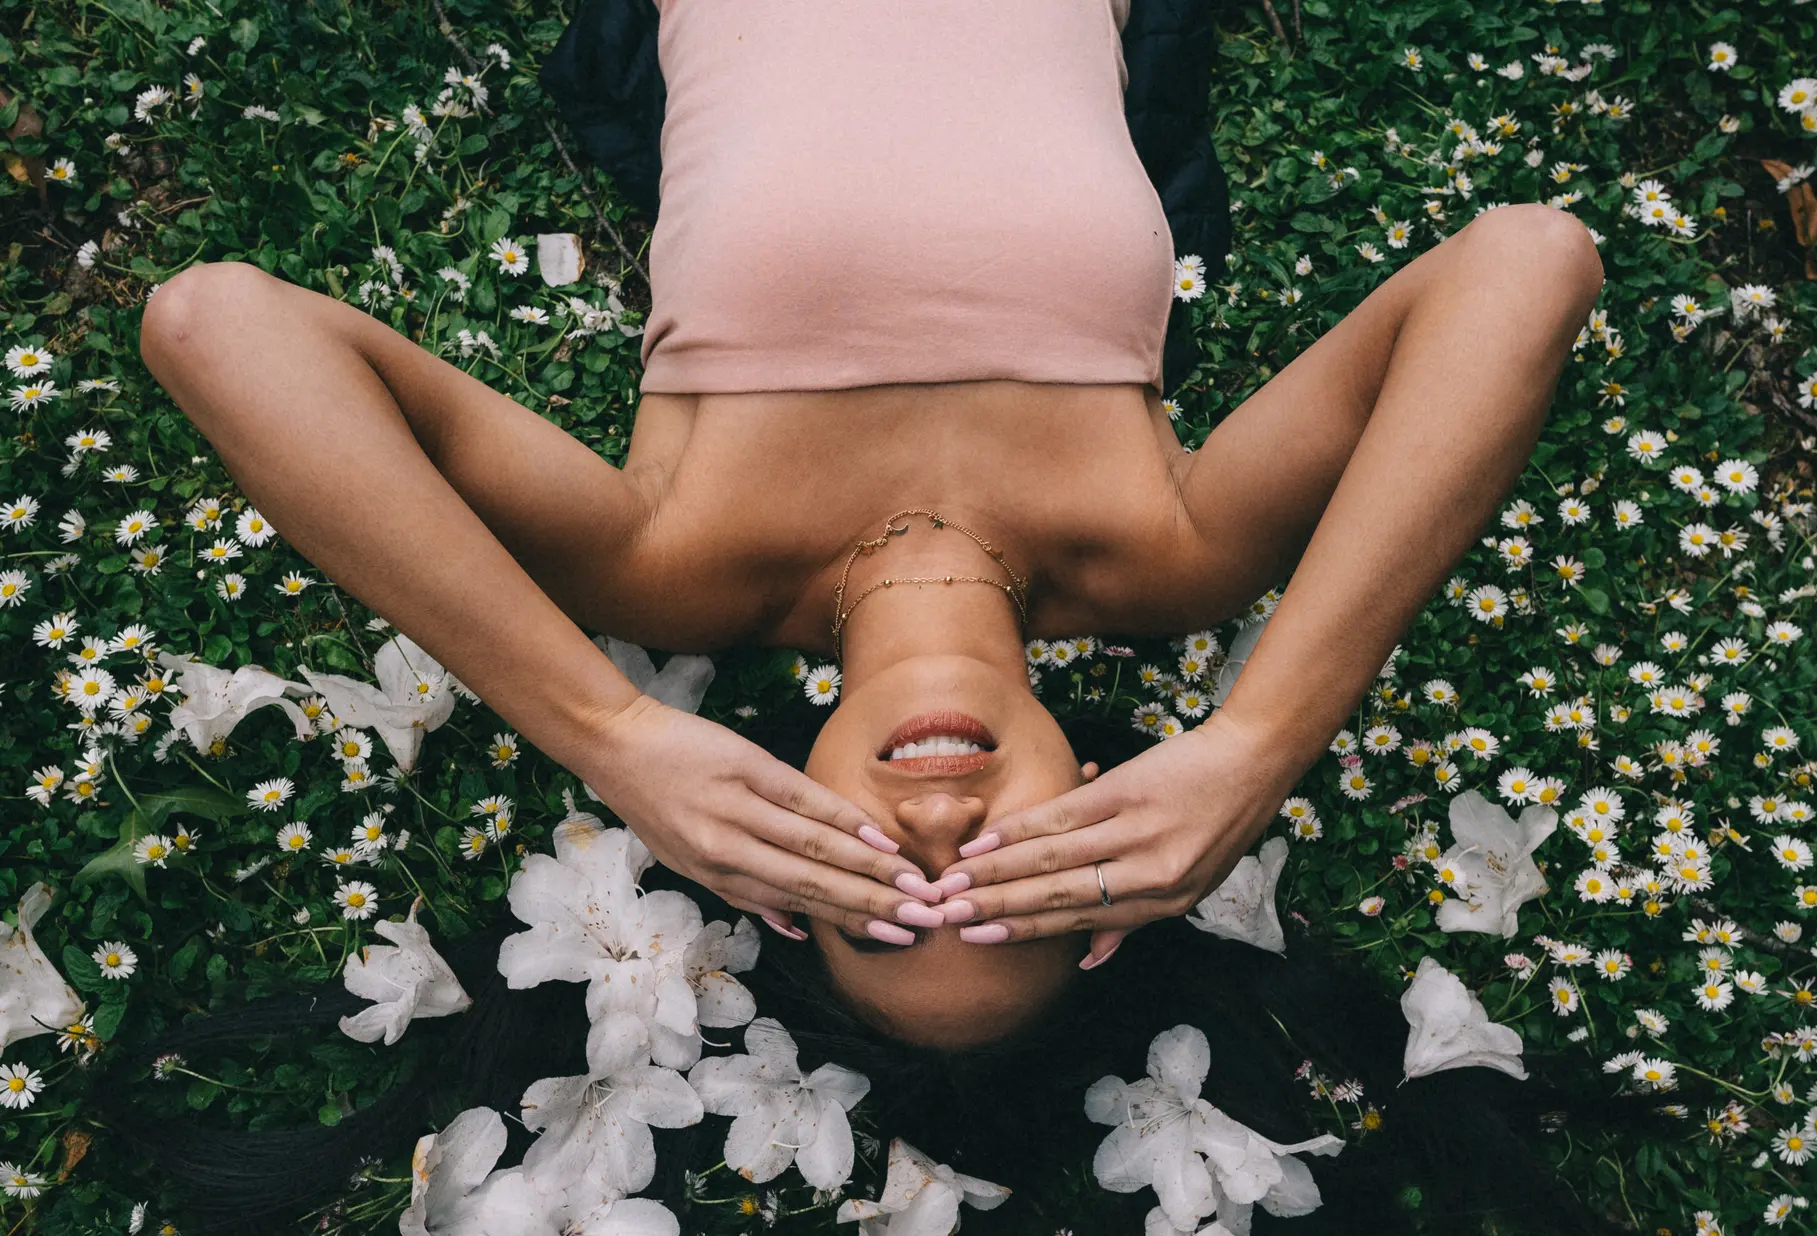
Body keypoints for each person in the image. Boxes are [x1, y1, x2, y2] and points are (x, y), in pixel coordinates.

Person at [137, 0, 1603, 1048]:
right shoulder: (1170, 551)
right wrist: (1256, 742)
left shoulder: (676, 561)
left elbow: (215, 326)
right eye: (1015, 898)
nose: (944, 833)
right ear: (1113, 848)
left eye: (885, 903)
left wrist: (609, 734)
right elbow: (1530, 265)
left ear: (776, 878)